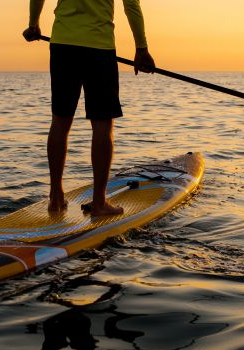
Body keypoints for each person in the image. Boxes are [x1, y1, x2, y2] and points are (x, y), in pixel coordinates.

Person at [23, 0, 155, 216]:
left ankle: (55, 196)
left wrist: (34, 24)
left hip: (63, 45)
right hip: (99, 47)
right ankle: (99, 203)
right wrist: (141, 49)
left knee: (60, 120)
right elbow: (131, 5)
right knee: (102, 124)